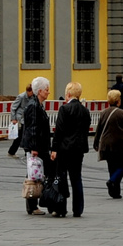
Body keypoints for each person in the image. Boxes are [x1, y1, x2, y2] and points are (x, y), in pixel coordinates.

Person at [51, 82, 91, 218]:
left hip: (64, 149)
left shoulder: (64, 109)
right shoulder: (85, 111)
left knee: (62, 178)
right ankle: (78, 209)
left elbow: (59, 131)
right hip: (78, 149)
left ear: (68, 94)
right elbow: (86, 130)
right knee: (76, 178)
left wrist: (54, 148)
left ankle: (61, 208)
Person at [94, 89, 123, 198]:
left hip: (106, 145)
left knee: (112, 167)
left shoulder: (103, 113)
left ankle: (115, 192)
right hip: (119, 145)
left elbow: (98, 129)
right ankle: (112, 182)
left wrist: (96, 143)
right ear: (118, 101)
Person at [20, 77, 53, 215]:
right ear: (40, 91)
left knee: (34, 173)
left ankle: (33, 204)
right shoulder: (34, 106)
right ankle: (33, 205)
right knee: (34, 175)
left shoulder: (36, 104)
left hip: (40, 145)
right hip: (37, 147)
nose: (48, 92)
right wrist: (34, 148)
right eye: (46, 90)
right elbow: (32, 128)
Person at [7, 81, 32, 157]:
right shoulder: (21, 97)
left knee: (23, 135)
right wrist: (13, 118)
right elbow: (13, 107)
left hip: (27, 118)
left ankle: (16, 151)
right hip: (21, 118)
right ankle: (25, 151)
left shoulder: (33, 97)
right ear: (28, 91)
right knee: (22, 135)